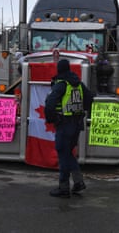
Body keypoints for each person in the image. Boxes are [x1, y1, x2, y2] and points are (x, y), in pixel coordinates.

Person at [44, 59, 93, 198]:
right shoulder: (78, 84)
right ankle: (78, 182)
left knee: (63, 154)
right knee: (67, 153)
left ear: (59, 69)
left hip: (64, 124)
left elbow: (50, 103)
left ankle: (64, 187)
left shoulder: (61, 85)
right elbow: (90, 98)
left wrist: (52, 119)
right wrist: (81, 111)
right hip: (77, 124)